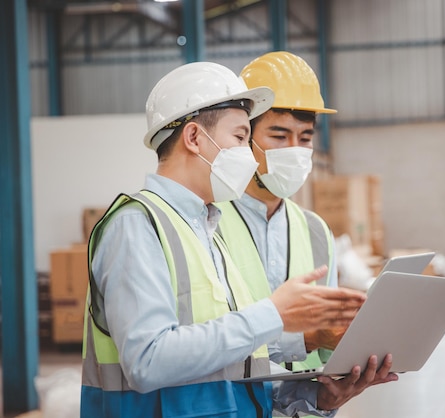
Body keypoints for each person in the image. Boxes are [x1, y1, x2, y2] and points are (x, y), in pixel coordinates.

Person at [80, 61, 397, 418]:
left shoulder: (203, 229)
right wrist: (275, 314)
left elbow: (230, 360)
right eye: (242, 138)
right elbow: (147, 362)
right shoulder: (137, 226)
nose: (249, 156)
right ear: (195, 137)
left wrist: (316, 399)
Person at [215, 51, 345, 373]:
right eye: (278, 136)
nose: (295, 151)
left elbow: (328, 351)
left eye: (305, 138)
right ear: (244, 138)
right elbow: (208, 341)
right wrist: (307, 337)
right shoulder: (206, 222)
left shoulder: (316, 231)